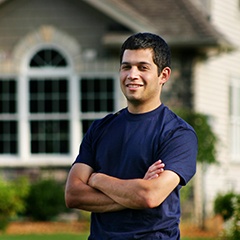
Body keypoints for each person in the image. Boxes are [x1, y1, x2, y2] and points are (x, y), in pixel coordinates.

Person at [65, 32, 198, 239]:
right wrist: (133, 192)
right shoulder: (101, 128)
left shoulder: (177, 134)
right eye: (126, 66)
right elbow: (73, 195)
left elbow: (150, 195)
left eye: (142, 67)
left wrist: (97, 179)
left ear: (164, 75)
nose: (132, 74)